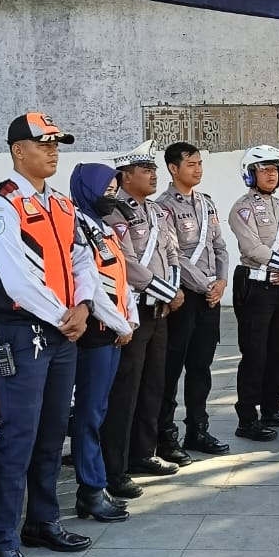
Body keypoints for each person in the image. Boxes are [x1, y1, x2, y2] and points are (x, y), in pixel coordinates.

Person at [0, 112, 96, 557]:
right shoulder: (0, 207)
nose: (53, 150)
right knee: (19, 438)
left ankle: (42, 521)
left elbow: (81, 258)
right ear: (17, 150)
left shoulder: (61, 205)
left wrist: (82, 306)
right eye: (42, 143)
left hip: (62, 331)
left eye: (57, 143)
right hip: (22, 336)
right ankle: (1, 546)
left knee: (50, 432)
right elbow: (18, 280)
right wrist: (67, 318)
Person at [101, 141, 184, 492]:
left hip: (160, 309)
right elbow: (126, 263)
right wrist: (168, 290)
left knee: (154, 384)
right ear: (124, 176)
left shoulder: (156, 211)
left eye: (152, 169)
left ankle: (144, 451)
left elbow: (171, 251)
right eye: (144, 170)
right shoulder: (112, 214)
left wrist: (175, 288)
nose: (152, 175)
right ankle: (115, 468)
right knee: (127, 391)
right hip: (134, 310)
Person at [67, 163, 137, 524]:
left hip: (114, 331)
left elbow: (120, 279)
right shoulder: (76, 227)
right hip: (96, 332)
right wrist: (121, 323)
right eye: (104, 190)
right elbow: (90, 287)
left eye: (114, 190)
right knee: (90, 414)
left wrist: (131, 319)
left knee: (99, 411)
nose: (111, 196)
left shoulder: (102, 227)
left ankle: (94, 486)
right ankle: (91, 490)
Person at [155, 142, 231, 459]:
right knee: (171, 370)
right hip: (184, 298)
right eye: (191, 164)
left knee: (201, 367)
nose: (197, 169)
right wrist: (205, 286)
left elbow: (220, 247)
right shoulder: (163, 207)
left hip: (210, 298)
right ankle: (165, 436)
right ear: (173, 168)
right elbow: (175, 256)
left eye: (200, 163)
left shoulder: (207, 204)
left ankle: (198, 430)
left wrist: (222, 281)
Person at [229, 145, 279, 441]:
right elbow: (252, 248)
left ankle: (272, 407)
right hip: (255, 287)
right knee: (254, 354)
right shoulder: (242, 208)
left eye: (275, 169)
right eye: (264, 169)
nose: (271, 174)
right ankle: (247, 418)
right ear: (250, 174)